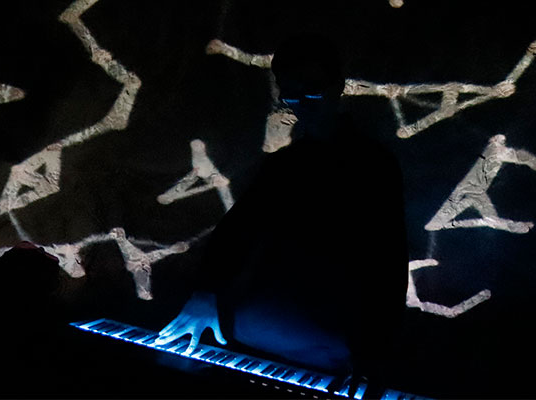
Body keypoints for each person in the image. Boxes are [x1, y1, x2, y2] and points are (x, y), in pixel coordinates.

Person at [155, 32, 408, 384]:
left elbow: (388, 262)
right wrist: (206, 292)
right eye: (291, 94)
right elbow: (237, 229)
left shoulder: (374, 165)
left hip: (330, 344)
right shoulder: (285, 165)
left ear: (338, 86)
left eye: (313, 90)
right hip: (271, 331)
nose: (303, 104)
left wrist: (374, 351)